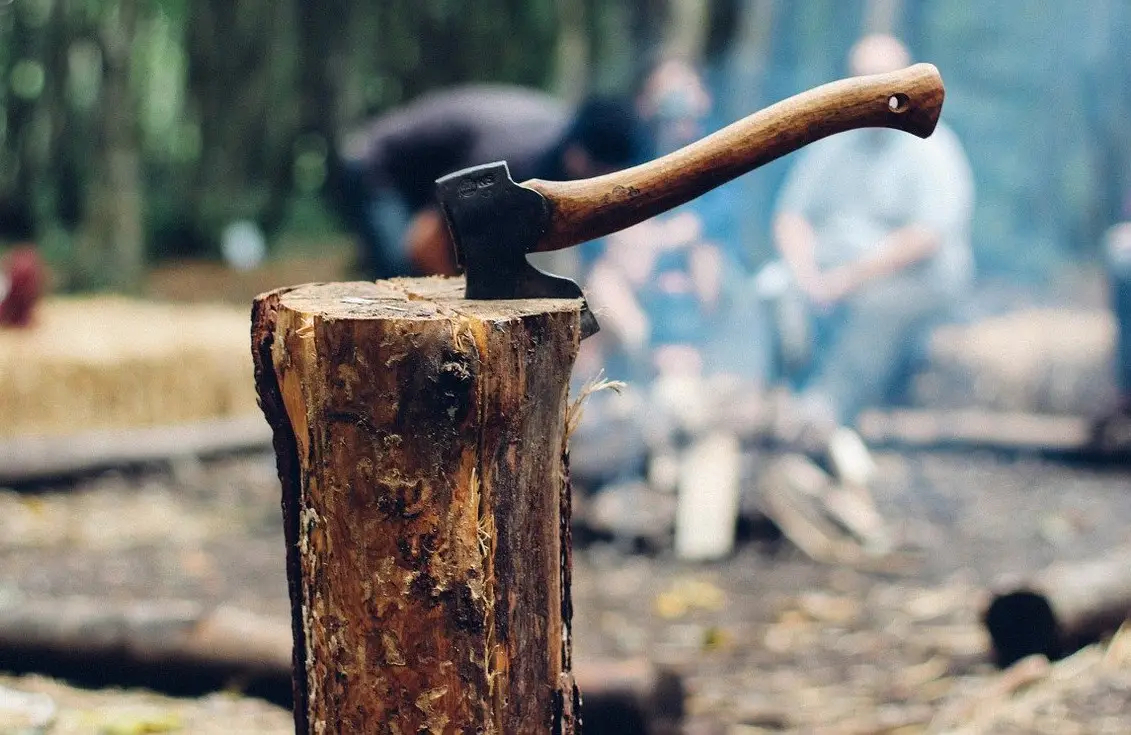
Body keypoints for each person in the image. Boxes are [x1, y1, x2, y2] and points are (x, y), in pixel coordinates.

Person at [766, 34, 975, 444]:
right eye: (861, 79)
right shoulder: (832, 143)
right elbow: (791, 217)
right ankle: (770, 401)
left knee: (876, 305)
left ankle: (825, 412)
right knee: (774, 287)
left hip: (915, 278)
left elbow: (927, 236)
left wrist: (849, 278)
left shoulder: (935, 147)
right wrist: (806, 276)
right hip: (829, 272)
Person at [329, 86, 643, 279]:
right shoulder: (514, 157)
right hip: (377, 167)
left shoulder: (561, 144)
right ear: (581, 159)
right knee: (404, 281)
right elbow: (426, 239)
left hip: (430, 175)